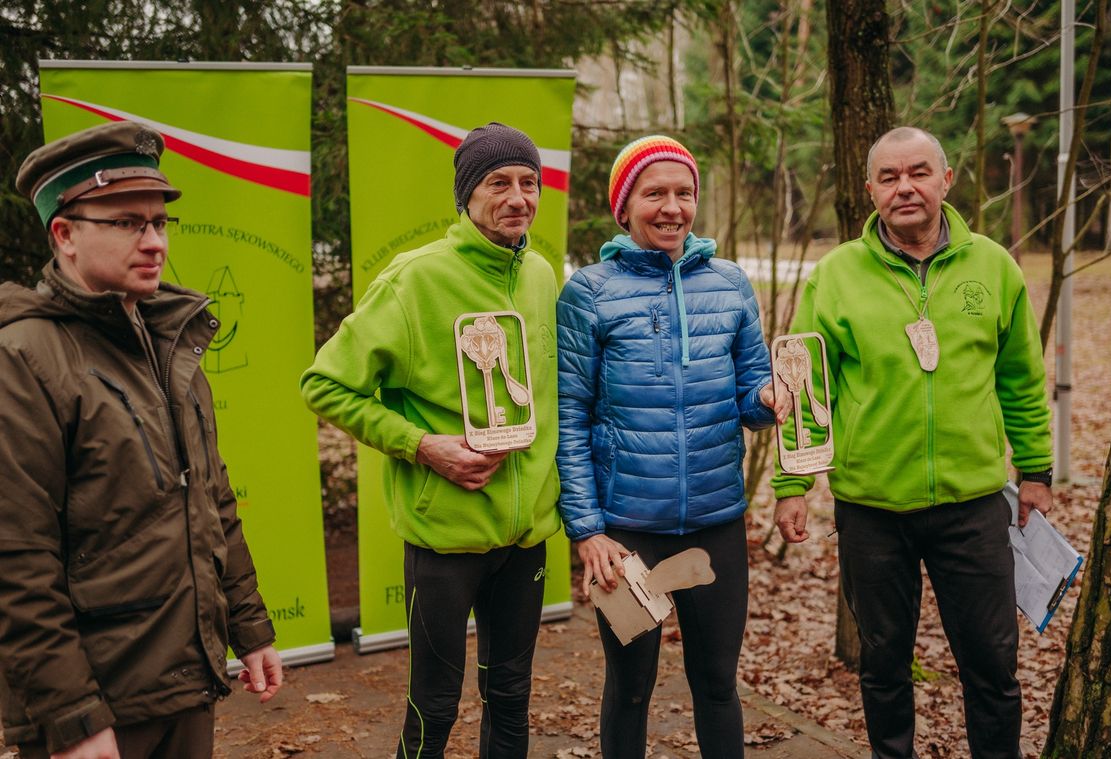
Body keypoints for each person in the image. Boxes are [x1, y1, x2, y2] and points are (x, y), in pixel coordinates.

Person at [0, 121, 282, 759]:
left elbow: (212, 500)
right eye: (128, 223)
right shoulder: (24, 357)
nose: (154, 241)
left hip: (184, 685)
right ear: (64, 235)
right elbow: (17, 560)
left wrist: (250, 628)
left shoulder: (169, 340)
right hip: (99, 705)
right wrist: (72, 718)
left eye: (159, 223)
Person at [771, 126, 1054, 759]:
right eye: (890, 177)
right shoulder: (835, 277)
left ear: (946, 180)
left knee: (992, 668)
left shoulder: (994, 266)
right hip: (872, 509)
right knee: (883, 669)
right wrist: (792, 486)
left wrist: (1035, 469)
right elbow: (801, 386)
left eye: (919, 173)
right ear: (870, 189)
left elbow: (1021, 379)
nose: (906, 188)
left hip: (974, 506)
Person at [301, 122, 560, 759]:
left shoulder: (542, 277)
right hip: (445, 534)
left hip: (527, 537)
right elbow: (324, 385)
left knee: (511, 696)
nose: (518, 197)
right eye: (499, 183)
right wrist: (424, 446)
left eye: (529, 183)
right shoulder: (413, 279)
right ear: (467, 195)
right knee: (435, 705)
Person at [557, 135, 788, 759]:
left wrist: (767, 402)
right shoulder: (589, 292)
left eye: (683, 193)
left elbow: (748, 393)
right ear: (623, 208)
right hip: (629, 534)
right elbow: (569, 417)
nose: (671, 208)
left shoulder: (731, 284)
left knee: (717, 685)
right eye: (654, 193)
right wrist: (586, 529)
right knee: (630, 689)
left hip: (716, 523)